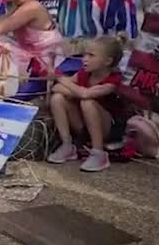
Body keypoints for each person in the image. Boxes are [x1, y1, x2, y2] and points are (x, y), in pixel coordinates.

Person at [47, 36, 127, 172]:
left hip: (107, 130)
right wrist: (76, 91)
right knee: (57, 98)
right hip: (84, 126)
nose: (84, 59)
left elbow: (86, 94)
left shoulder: (113, 80)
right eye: (84, 54)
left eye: (91, 55)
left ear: (107, 61)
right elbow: (56, 88)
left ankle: (99, 153)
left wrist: (59, 77)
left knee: (87, 102)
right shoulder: (84, 73)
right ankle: (67, 145)